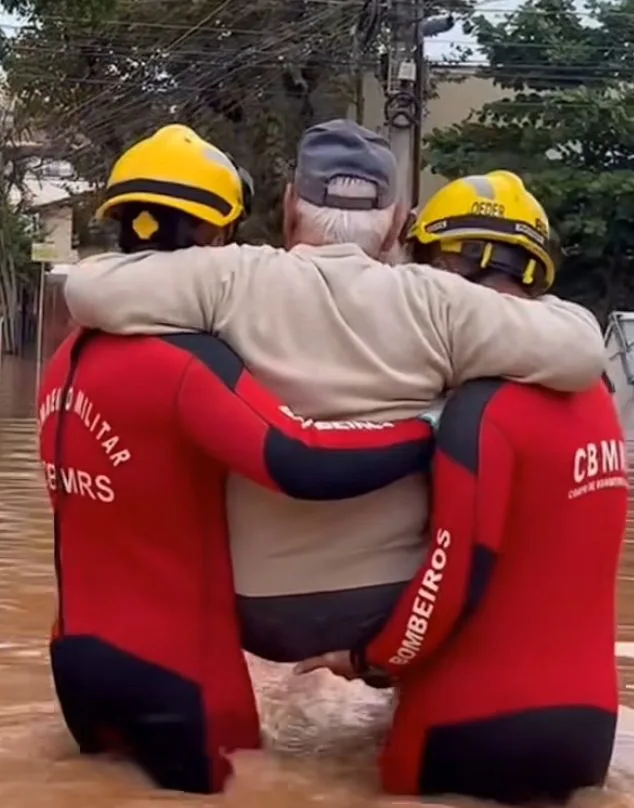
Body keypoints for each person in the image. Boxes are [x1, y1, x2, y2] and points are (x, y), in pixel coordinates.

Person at [59, 119, 609, 665]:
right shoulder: (437, 300)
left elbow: (87, 289)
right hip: (393, 602)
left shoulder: (231, 278)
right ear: (396, 223)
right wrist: (520, 295)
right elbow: (583, 353)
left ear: (293, 205)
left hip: (252, 608)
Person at [39, 124, 438, 795]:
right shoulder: (186, 366)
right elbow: (299, 460)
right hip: (178, 671)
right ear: (216, 237)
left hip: (74, 656)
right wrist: (430, 432)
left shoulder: (66, 360)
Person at [297, 171, 629, 805]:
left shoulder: (482, 410)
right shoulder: (598, 397)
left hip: (463, 723)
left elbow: (449, 582)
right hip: (588, 726)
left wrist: (367, 658)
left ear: (448, 265)